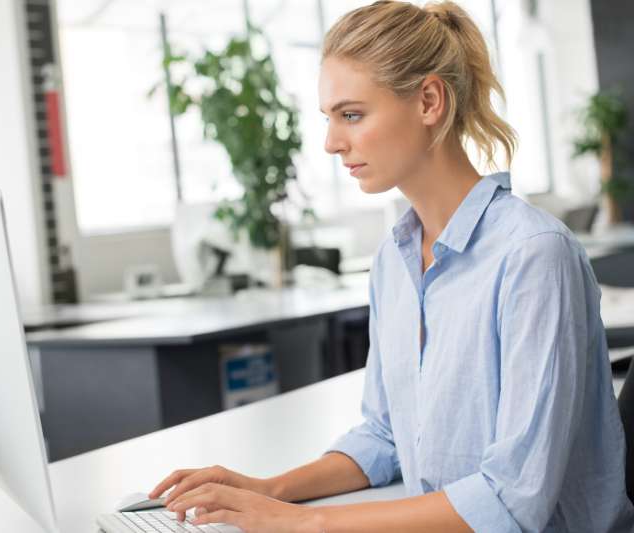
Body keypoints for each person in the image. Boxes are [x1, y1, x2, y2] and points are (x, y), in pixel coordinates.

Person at [148, 2, 634, 532]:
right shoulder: (393, 259)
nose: (332, 142)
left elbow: (511, 501)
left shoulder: (534, 254)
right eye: (329, 118)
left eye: (351, 115)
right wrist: (269, 490)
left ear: (429, 100)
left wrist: (303, 524)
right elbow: (384, 438)